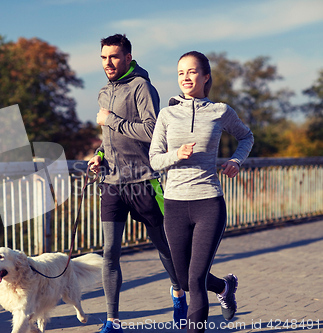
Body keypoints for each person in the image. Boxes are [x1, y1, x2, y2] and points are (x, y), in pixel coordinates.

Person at [149, 51, 254, 333]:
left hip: (208, 201)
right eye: (181, 72)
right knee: (183, 280)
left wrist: (235, 160)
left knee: (195, 280)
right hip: (174, 204)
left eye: (192, 72)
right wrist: (176, 155)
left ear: (205, 77)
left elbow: (246, 136)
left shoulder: (220, 111)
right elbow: (154, 159)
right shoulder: (167, 115)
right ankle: (224, 286)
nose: (185, 77)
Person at [88, 34, 187, 333]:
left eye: (114, 56)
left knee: (165, 247)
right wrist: (99, 155)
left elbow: (152, 131)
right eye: (104, 57)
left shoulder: (141, 87)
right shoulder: (104, 92)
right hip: (112, 184)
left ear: (128, 58)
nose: (109, 62)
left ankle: (178, 292)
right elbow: (110, 140)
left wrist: (111, 120)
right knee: (110, 253)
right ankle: (113, 320)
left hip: (144, 181)